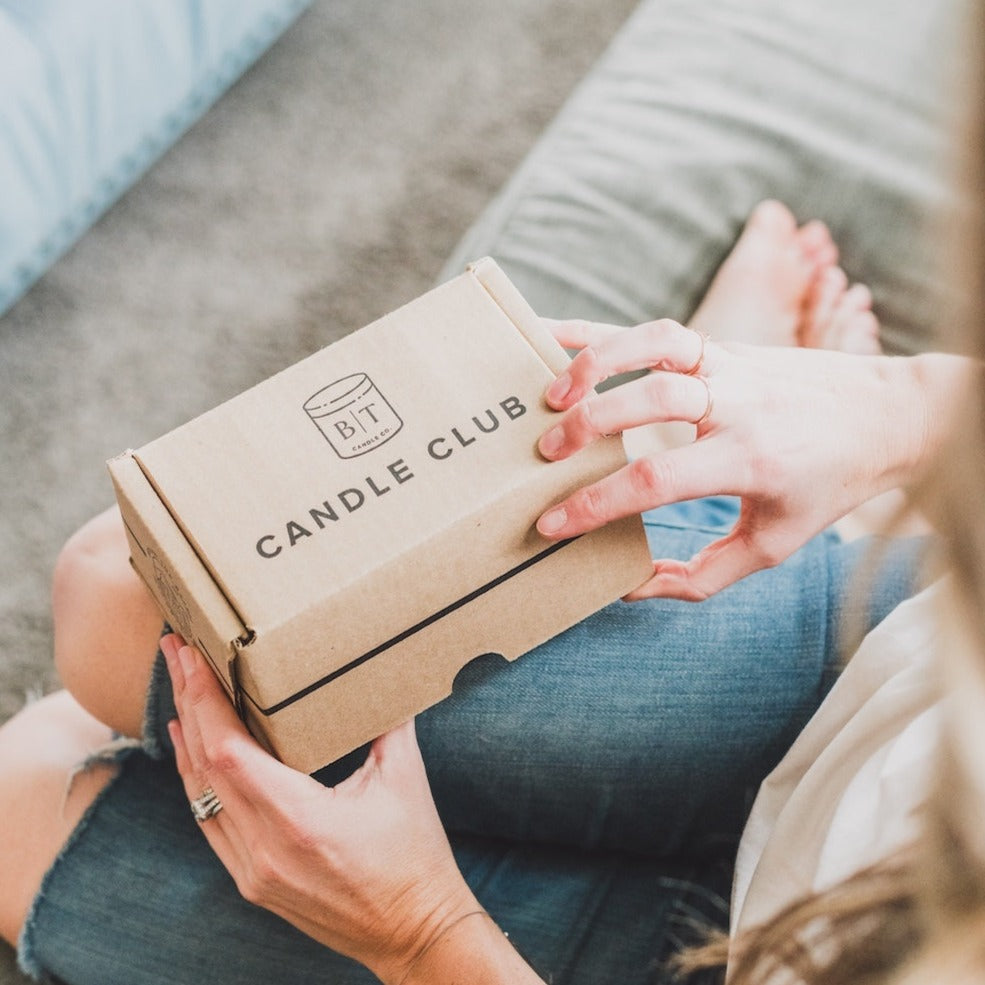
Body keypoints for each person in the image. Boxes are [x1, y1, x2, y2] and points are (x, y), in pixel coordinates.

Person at [0, 195, 941, 985]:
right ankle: (687, 478)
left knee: (14, 796)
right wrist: (902, 405)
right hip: (871, 681)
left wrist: (420, 932)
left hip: (715, 961)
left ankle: (694, 489)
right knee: (107, 600)